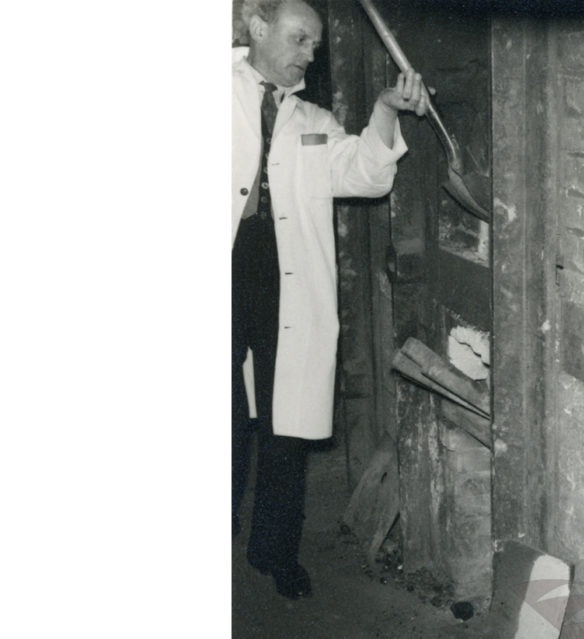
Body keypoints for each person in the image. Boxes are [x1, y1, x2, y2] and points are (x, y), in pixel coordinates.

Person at [232, 0, 428, 599]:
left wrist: (384, 111)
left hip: (284, 280)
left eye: (315, 44)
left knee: (286, 425)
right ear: (258, 27)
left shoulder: (313, 119)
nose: (308, 54)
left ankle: (274, 551)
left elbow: (366, 174)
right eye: (299, 39)